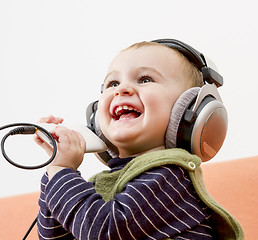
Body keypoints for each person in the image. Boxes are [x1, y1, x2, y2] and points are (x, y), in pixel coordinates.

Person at [34, 39, 243, 239]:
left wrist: (63, 172)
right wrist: (55, 169)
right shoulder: (100, 184)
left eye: (145, 79)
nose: (121, 89)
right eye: (113, 83)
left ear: (187, 111)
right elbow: (54, 237)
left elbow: (104, 232)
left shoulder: (170, 176)